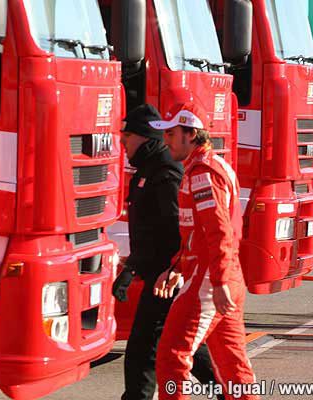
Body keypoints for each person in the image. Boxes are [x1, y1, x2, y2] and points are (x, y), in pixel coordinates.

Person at [112, 104, 223, 400]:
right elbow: (151, 230)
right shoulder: (149, 170)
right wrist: (132, 267)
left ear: (144, 136)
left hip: (168, 277)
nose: (122, 144)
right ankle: (226, 392)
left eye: (127, 137)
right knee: (184, 347)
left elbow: (180, 231)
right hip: (161, 274)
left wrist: (172, 271)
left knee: (143, 351)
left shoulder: (166, 172)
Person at [151, 102, 257, 400]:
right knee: (234, 369)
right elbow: (197, 233)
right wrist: (176, 269)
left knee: (172, 357)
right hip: (221, 276)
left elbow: (218, 231)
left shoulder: (202, 172)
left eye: (172, 133)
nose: (166, 140)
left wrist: (218, 280)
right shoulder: (211, 166)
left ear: (192, 134)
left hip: (212, 279)